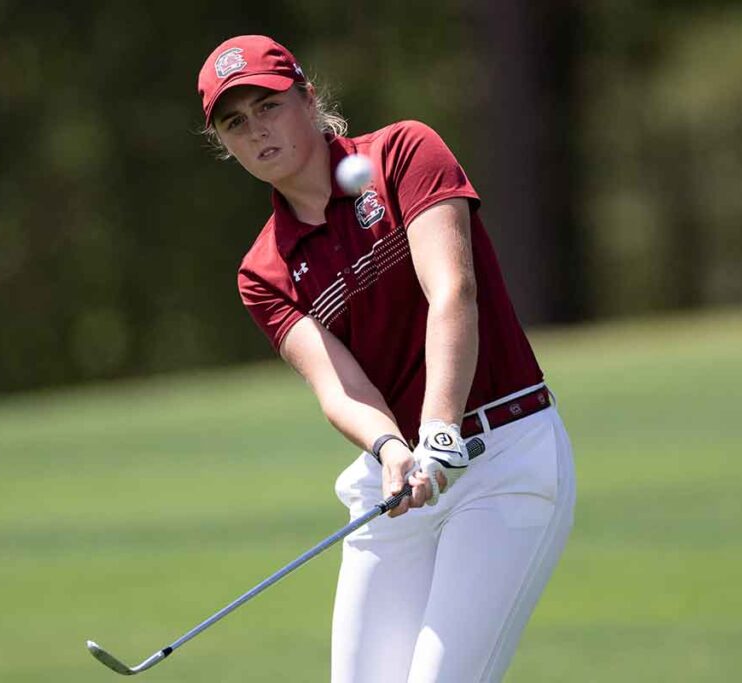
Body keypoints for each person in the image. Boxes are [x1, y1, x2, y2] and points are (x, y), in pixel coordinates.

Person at [197, 35, 576, 683]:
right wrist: (391, 449)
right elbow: (339, 385)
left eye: (269, 105)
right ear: (224, 144)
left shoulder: (404, 152)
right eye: (236, 122)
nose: (257, 130)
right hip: (397, 480)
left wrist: (438, 427)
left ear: (308, 99)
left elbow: (452, 290)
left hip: (504, 456)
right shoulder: (264, 270)